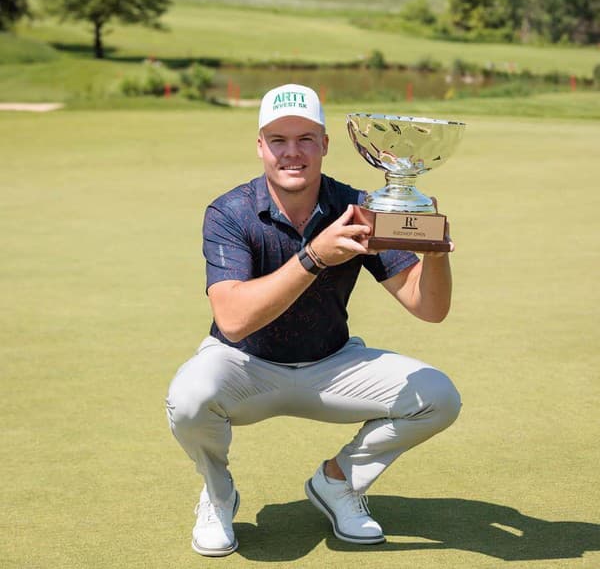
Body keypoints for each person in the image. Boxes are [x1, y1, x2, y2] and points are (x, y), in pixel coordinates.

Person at [166, 83, 461, 557]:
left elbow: (428, 307)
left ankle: (338, 482)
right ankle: (218, 496)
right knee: (188, 399)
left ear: (324, 144)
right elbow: (233, 318)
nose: (293, 153)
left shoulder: (359, 206)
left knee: (439, 398)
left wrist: (438, 253)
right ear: (261, 146)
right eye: (278, 140)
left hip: (331, 364)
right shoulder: (230, 212)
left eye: (306, 139)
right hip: (245, 365)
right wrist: (314, 256)